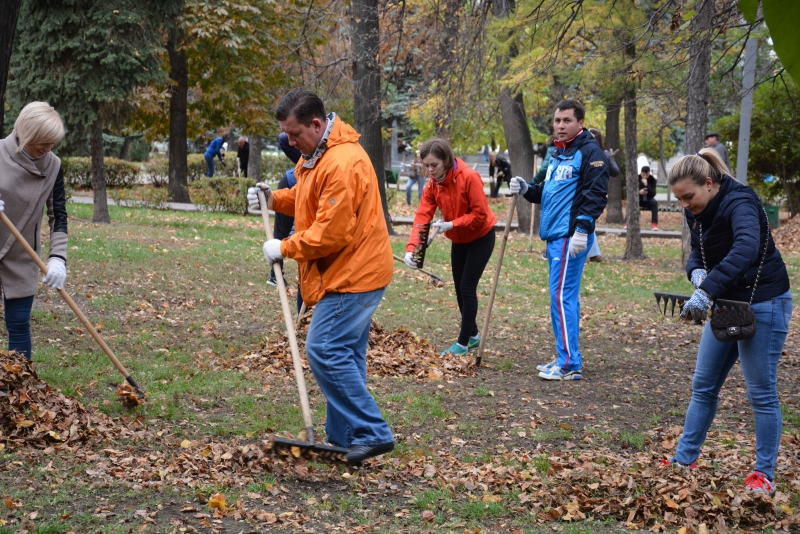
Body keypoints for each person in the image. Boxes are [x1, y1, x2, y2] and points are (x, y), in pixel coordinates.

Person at [246, 90, 394, 464]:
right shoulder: (319, 154)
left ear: (316, 123)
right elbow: (307, 198)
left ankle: (373, 432)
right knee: (346, 355)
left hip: (354, 273)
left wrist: (285, 247)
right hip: (349, 269)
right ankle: (343, 439)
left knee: (324, 349)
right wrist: (274, 198)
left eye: (294, 134)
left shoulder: (343, 162)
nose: (289, 142)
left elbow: (332, 232)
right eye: (286, 135)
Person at [662, 149, 791, 495]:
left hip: (764, 302)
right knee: (703, 386)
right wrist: (697, 273)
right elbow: (697, 250)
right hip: (726, 302)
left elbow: (747, 247)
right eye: (679, 200)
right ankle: (683, 460)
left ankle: (763, 475)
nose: (685, 205)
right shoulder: (696, 209)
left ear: (709, 183)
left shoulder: (741, 203)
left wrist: (707, 290)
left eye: (689, 197)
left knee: (761, 393)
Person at [509, 99, 609, 380]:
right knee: (561, 298)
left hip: (569, 237)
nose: (560, 126)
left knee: (562, 297)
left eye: (567, 121)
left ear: (580, 122)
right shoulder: (559, 153)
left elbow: (595, 194)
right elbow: (549, 192)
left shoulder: (589, 152)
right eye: (557, 121)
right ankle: (566, 355)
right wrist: (527, 189)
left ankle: (568, 364)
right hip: (555, 236)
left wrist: (582, 230)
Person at [404, 138, 498, 356]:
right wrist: (412, 248)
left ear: (446, 160)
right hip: (459, 239)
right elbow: (422, 216)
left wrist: (452, 223)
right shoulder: (433, 184)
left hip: (481, 236)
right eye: (426, 166)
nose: (430, 170)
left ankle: (463, 343)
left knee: (466, 287)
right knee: (458, 289)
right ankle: (473, 335)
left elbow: (480, 214)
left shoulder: (469, 177)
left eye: (434, 165)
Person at [0, 102, 69, 359]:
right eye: (43, 141)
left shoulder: (52, 166)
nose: (48, 148)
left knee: (18, 325)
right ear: (26, 132)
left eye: (52, 142)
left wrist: (58, 258)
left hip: (22, 255)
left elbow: (58, 215)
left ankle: (19, 389)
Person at [267, 133, 304, 313]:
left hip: (298, 195)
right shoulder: (307, 155)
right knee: (279, 236)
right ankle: (275, 275)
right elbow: (283, 138)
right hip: (289, 187)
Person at [586, 128, 620, 261]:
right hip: (595, 193)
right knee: (587, 221)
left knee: (585, 221)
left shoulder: (598, 154)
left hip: (592, 193)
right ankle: (594, 253)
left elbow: (615, 171)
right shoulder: (587, 152)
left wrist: (609, 158)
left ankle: (589, 254)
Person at [638, 166, 659, 231]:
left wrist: (647, 185)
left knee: (654, 203)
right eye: (643, 175)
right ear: (641, 173)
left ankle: (654, 223)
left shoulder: (652, 180)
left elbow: (653, 193)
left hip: (648, 199)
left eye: (646, 175)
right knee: (631, 203)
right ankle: (627, 222)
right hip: (639, 199)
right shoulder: (637, 178)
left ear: (649, 173)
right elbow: (632, 192)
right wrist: (639, 192)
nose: (645, 176)